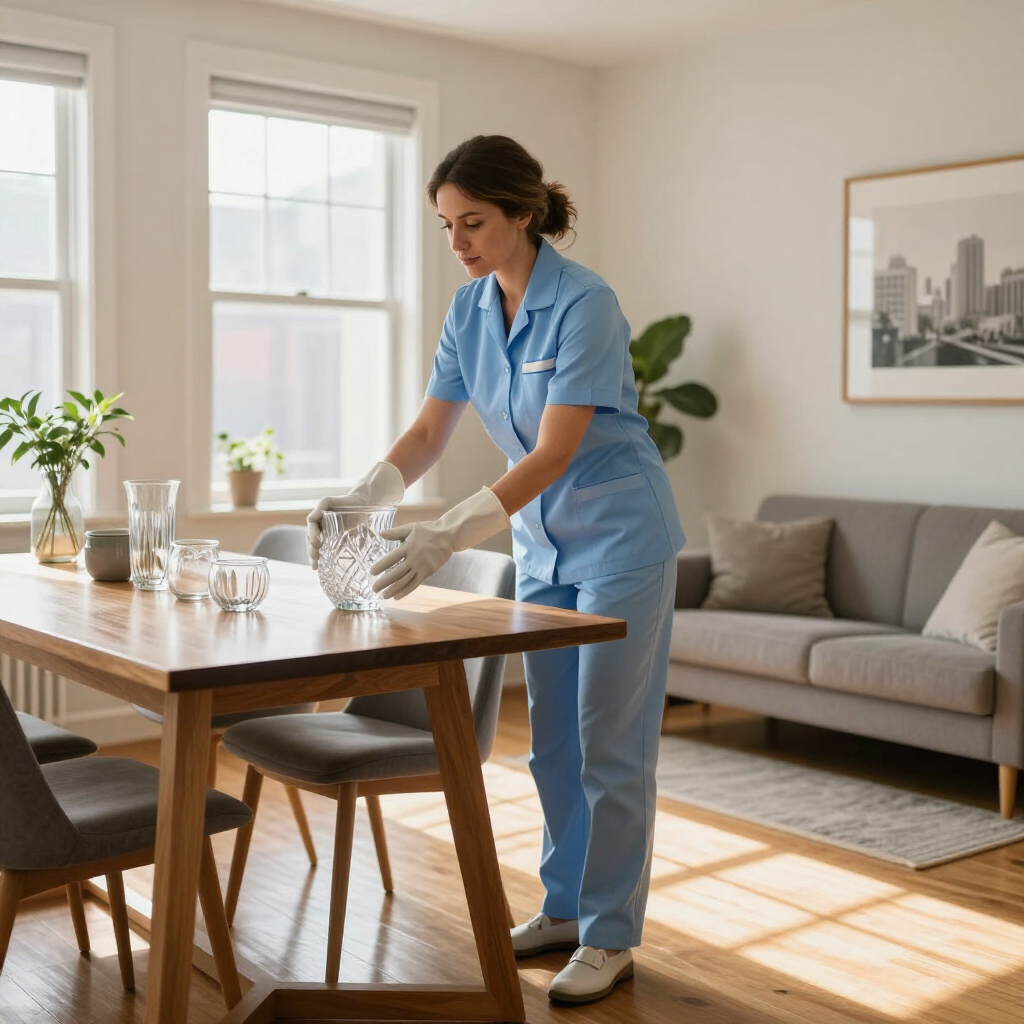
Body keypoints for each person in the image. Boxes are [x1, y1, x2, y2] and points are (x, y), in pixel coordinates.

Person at [306, 135, 684, 1005]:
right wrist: (368, 493)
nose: (459, 241)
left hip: (621, 536)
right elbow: (432, 430)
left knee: (609, 744)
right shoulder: (471, 309)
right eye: (446, 224)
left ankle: (611, 933)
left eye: (472, 221)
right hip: (542, 546)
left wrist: (444, 534)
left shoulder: (586, 304)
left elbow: (555, 450)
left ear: (524, 212)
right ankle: (563, 907)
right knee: (550, 741)